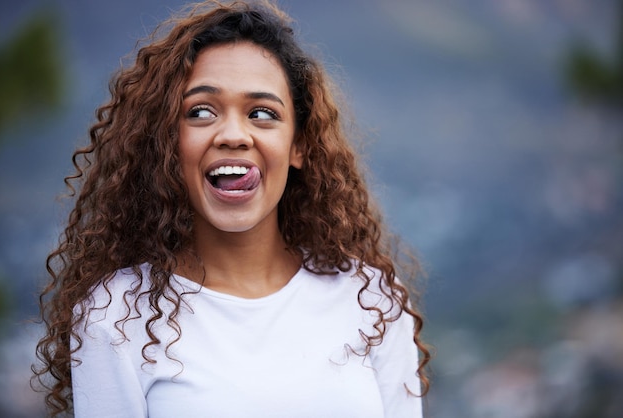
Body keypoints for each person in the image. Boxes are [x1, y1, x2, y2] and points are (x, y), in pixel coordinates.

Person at [33, 1, 431, 417]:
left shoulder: (373, 300)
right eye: (201, 111)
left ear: (299, 145)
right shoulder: (113, 317)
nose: (234, 135)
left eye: (262, 113)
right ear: (168, 141)